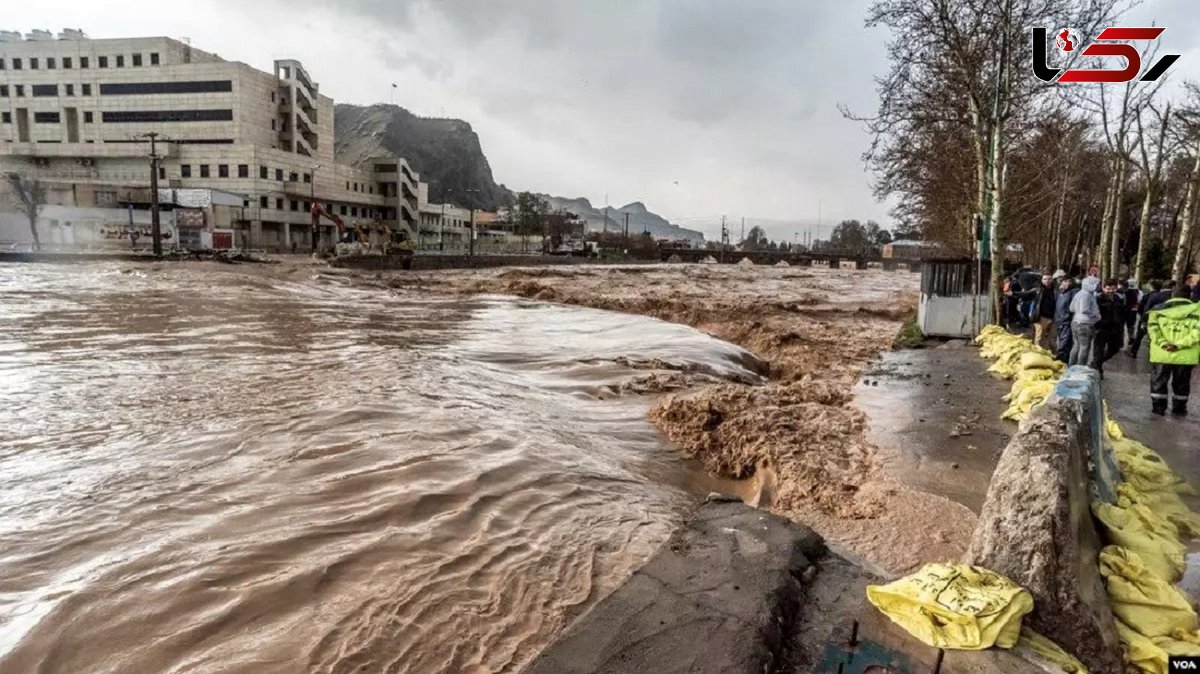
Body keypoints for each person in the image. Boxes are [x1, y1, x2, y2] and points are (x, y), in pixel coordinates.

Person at [1147, 285, 1200, 416]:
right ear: (1190, 296)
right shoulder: (1197, 311)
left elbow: (1153, 330)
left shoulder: (1157, 310)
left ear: (1172, 295)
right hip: (1185, 355)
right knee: (1182, 383)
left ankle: (1158, 409)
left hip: (1161, 353)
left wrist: (1164, 344)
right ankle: (1179, 409)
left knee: (1159, 381)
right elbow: (1197, 333)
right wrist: (1179, 345)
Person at [1093, 278, 1126, 377]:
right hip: (1102, 327)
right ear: (1103, 288)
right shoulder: (1099, 299)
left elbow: (1122, 313)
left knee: (1115, 348)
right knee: (1099, 350)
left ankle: (1096, 363)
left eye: (1113, 289)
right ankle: (1098, 370)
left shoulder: (1118, 299)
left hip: (1115, 328)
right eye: (1108, 289)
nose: (1111, 291)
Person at [1129, 280, 1169, 356]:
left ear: (1151, 286)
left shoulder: (1148, 296)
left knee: (1139, 336)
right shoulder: (1163, 296)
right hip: (1158, 320)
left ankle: (1133, 351)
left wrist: (1142, 317)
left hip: (1147, 318)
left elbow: (1143, 308)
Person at [1069, 276, 1101, 367]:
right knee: (1084, 347)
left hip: (1075, 322)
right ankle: (1080, 367)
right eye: (1097, 284)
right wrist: (1095, 314)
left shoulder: (1078, 293)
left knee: (1076, 346)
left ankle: (1071, 366)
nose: (1098, 286)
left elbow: (1071, 308)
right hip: (1085, 324)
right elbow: (1084, 309)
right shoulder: (1087, 295)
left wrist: (1077, 312)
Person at [1030, 270, 1059, 350]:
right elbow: (1026, 293)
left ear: (1052, 279)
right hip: (1041, 317)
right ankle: (1037, 353)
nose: (1047, 281)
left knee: (1052, 338)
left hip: (1054, 317)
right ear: (1042, 280)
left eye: (1049, 279)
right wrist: (1014, 293)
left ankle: (1050, 354)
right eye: (1045, 279)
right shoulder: (1038, 290)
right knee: (1039, 338)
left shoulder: (1056, 289)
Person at [1054, 275, 1079, 362]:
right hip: (1059, 321)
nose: (1067, 283)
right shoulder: (1060, 292)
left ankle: (1062, 360)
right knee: (1061, 340)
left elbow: (1073, 307)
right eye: (1065, 281)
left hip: (1067, 321)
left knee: (1065, 343)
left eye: (1069, 282)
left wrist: (1068, 316)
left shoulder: (1073, 292)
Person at [1121, 279, 1141, 346]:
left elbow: (1135, 303)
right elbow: (1137, 303)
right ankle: (1130, 337)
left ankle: (1129, 338)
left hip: (1126, 311)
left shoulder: (1127, 292)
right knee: (1130, 326)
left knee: (1126, 326)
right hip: (1130, 312)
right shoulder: (1136, 292)